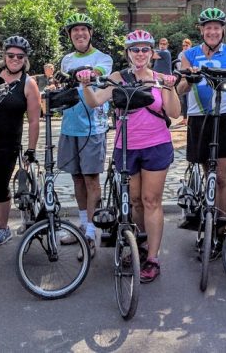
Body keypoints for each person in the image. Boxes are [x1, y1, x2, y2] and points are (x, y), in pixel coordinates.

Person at [79, 30, 181, 283]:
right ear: (127, 53)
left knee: (151, 200)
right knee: (135, 200)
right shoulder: (118, 78)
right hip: (127, 148)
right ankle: (141, 245)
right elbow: (95, 102)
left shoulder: (159, 79)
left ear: (152, 53)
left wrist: (170, 88)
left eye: (145, 49)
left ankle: (153, 257)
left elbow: (175, 112)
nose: (140, 54)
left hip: (156, 145)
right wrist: (85, 84)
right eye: (135, 50)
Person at [176, 8, 226, 250]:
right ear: (202, 30)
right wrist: (190, 78)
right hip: (199, 117)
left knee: (223, 177)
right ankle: (207, 221)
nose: (213, 31)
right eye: (208, 27)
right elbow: (180, 90)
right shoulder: (190, 54)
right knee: (209, 174)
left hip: (224, 116)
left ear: (223, 29)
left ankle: (220, 226)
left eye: (217, 27)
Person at [0, 36, 41, 246]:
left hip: (8, 142)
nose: (15, 59)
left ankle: (3, 228)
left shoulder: (28, 84)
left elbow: (33, 121)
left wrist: (31, 149)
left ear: (25, 59)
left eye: (20, 56)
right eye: (11, 55)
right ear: (4, 56)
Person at [57, 13, 113, 258]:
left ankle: (91, 234)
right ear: (70, 35)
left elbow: (97, 72)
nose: (79, 34)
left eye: (83, 30)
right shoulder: (66, 59)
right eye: (74, 31)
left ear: (90, 33)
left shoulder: (103, 58)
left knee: (91, 180)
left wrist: (87, 73)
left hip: (94, 128)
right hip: (70, 126)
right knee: (77, 179)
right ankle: (83, 226)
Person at [176, 39, 192, 126]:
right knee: (183, 100)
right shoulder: (180, 54)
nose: (185, 47)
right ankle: (185, 119)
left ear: (190, 45)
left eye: (186, 45)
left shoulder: (193, 53)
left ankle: (190, 118)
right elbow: (179, 67)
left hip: (190, 79)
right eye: (183, 45)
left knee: (190, 100)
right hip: (182, 79)